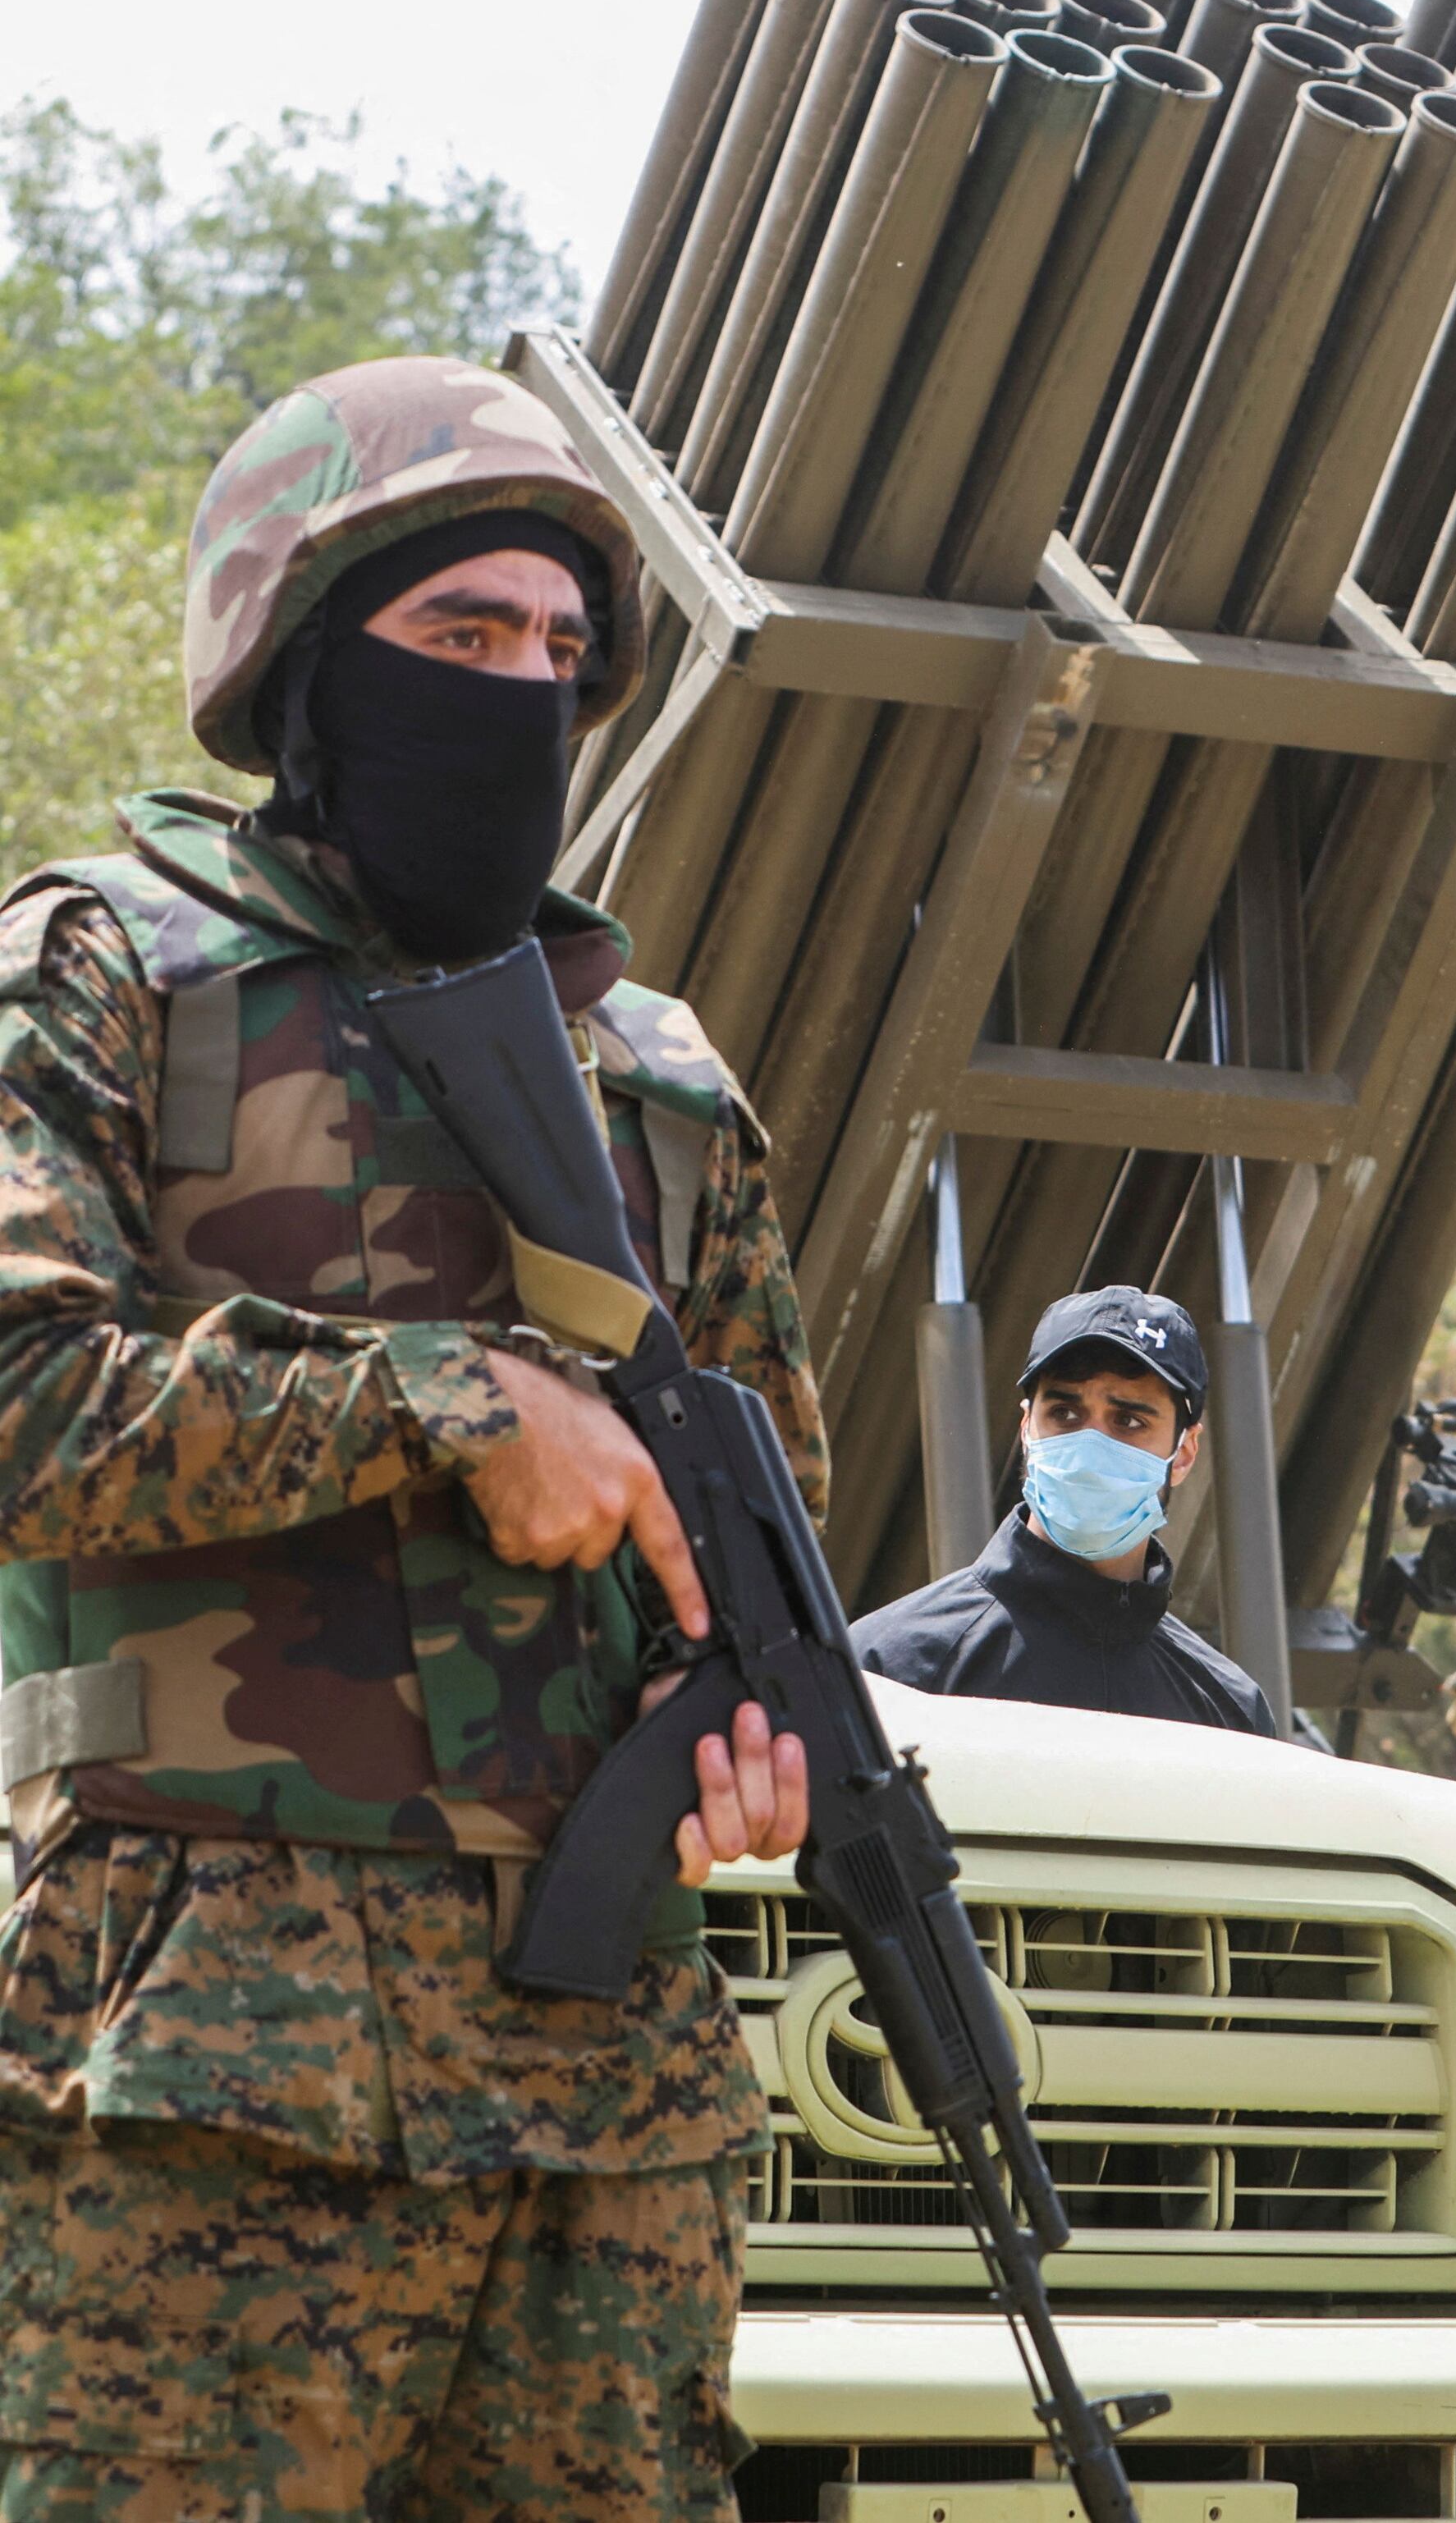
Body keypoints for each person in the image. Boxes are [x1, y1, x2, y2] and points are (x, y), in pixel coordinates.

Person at [0, 355, 817, 2516]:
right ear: (300, 654)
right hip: (192, 2052)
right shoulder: (105, 972)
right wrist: (438, 1396)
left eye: (562, 653)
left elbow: (751, 1514)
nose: (523, 693)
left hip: (603, 2094)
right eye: (465, 636)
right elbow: (17, 1408)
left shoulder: (655, 1072)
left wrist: (750, 1729)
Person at [849, 1286, 1277, 1738]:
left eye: (1129, 1422)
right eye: (1065, 1414)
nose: (1090, 1445)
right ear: (1027, 1429)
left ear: (1185, 1452)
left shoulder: (1228, 1714)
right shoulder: (891, 1670)